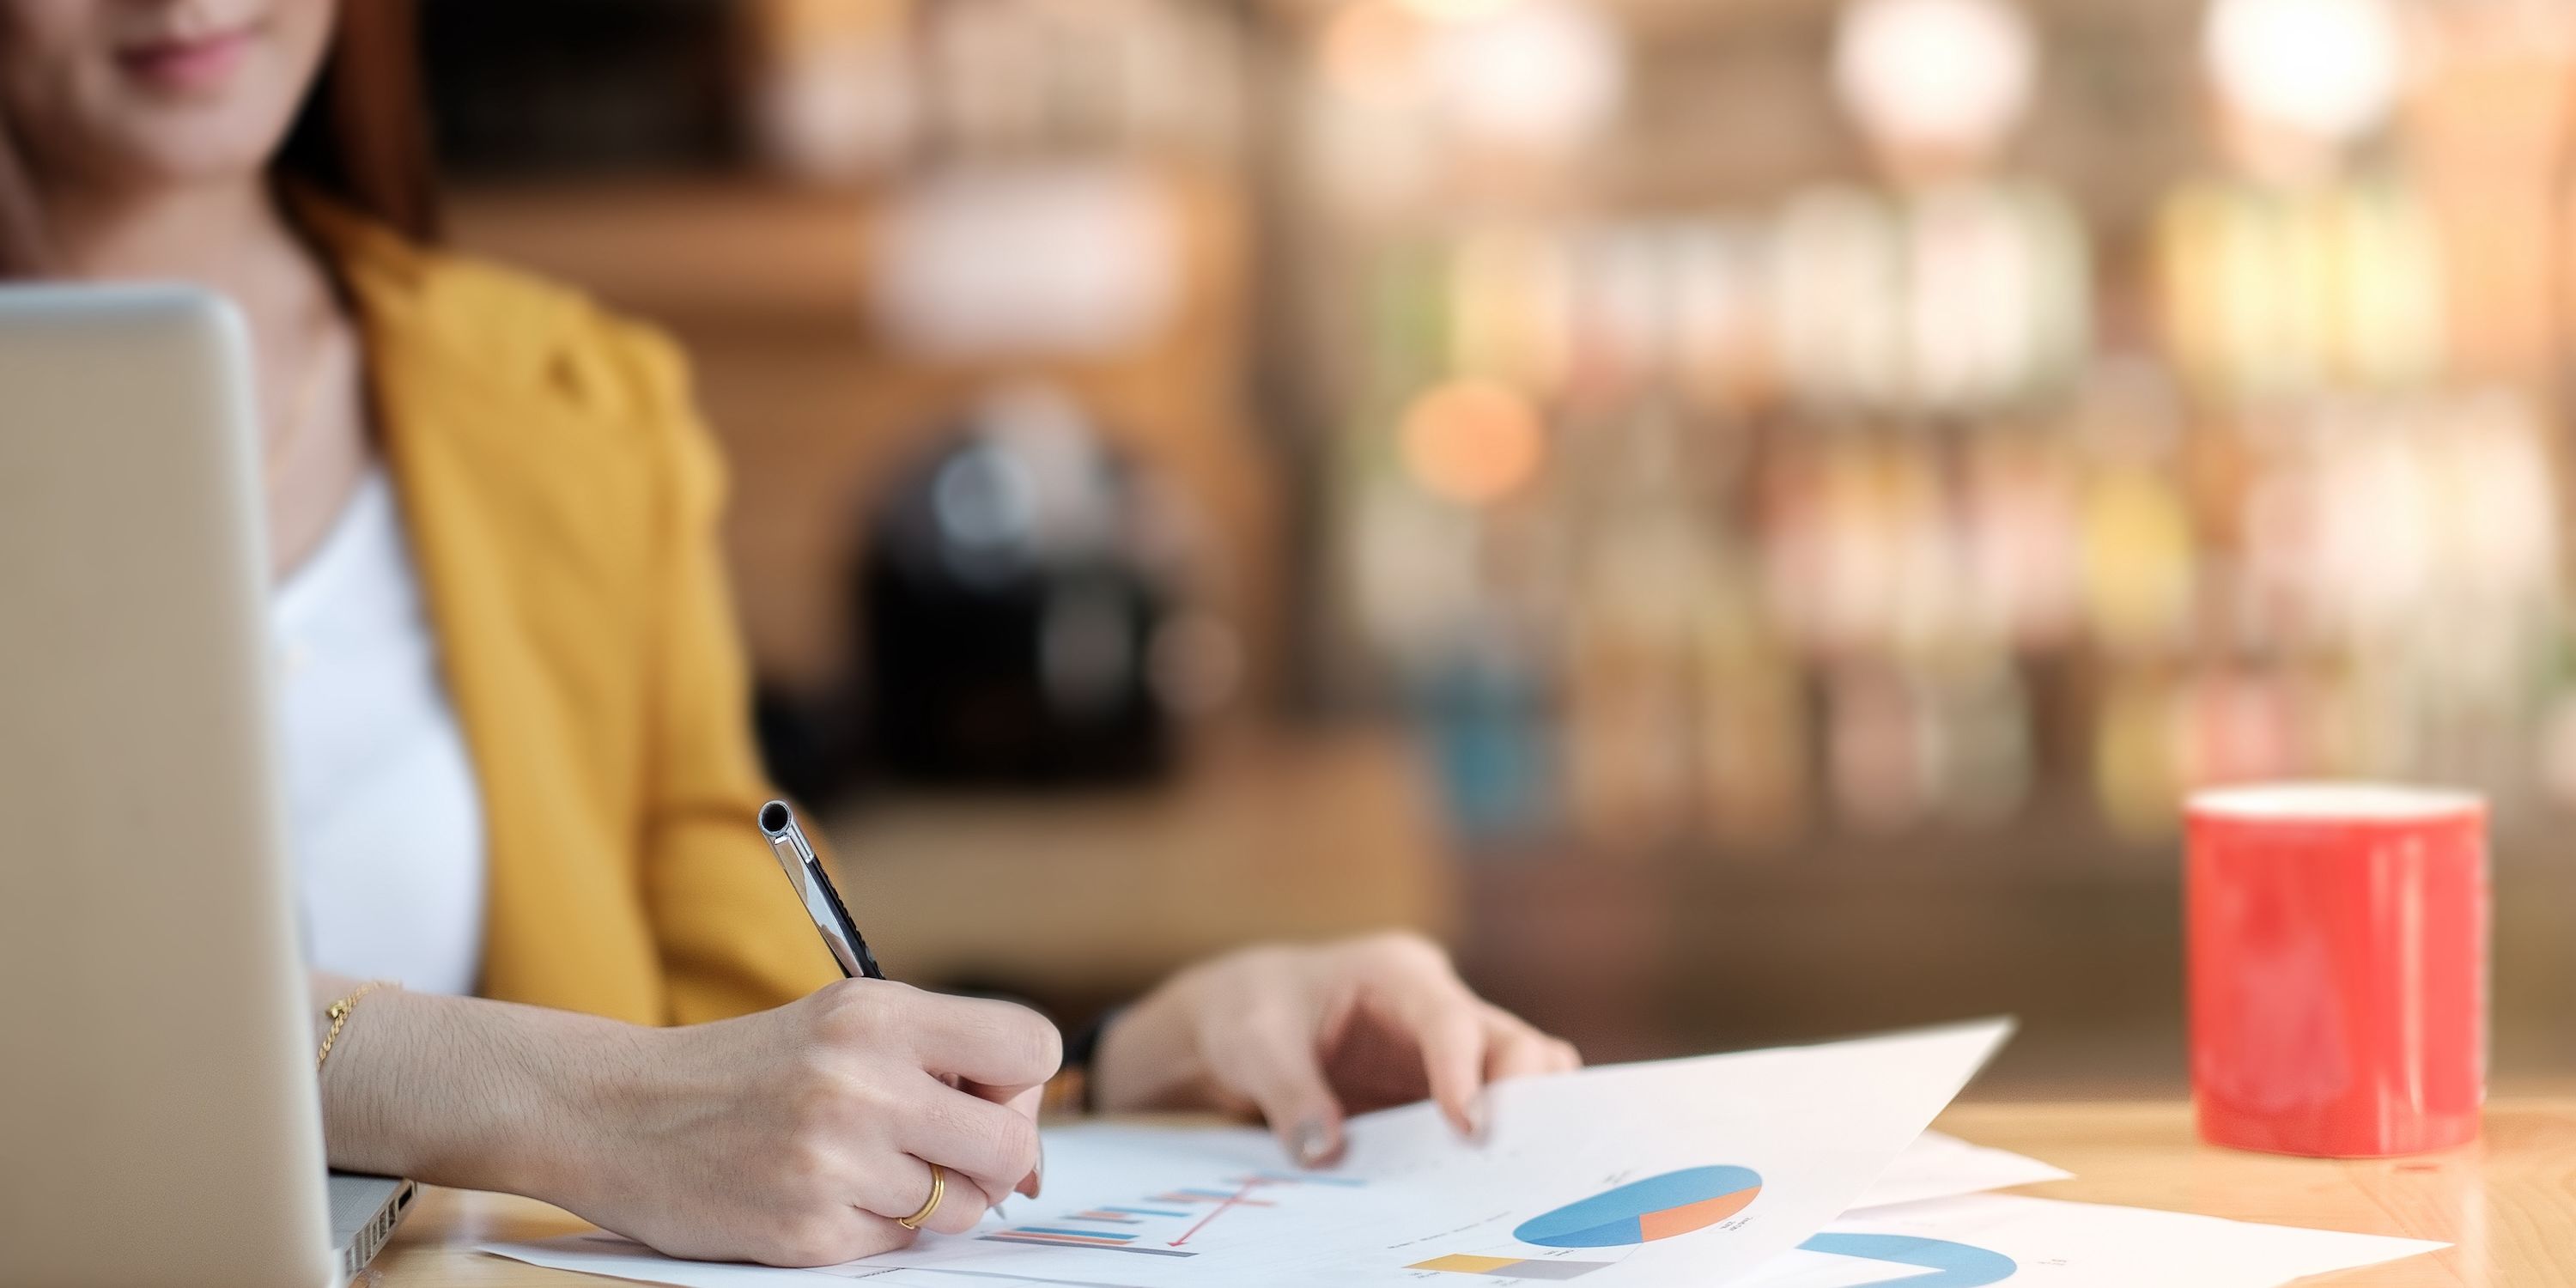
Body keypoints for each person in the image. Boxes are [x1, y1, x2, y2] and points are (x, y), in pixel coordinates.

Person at [0, 0, 1580, 1269]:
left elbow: (734, 1062)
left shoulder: (571, 405)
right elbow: (642, 1109)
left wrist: (1118, 1066)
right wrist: (541, 1099)